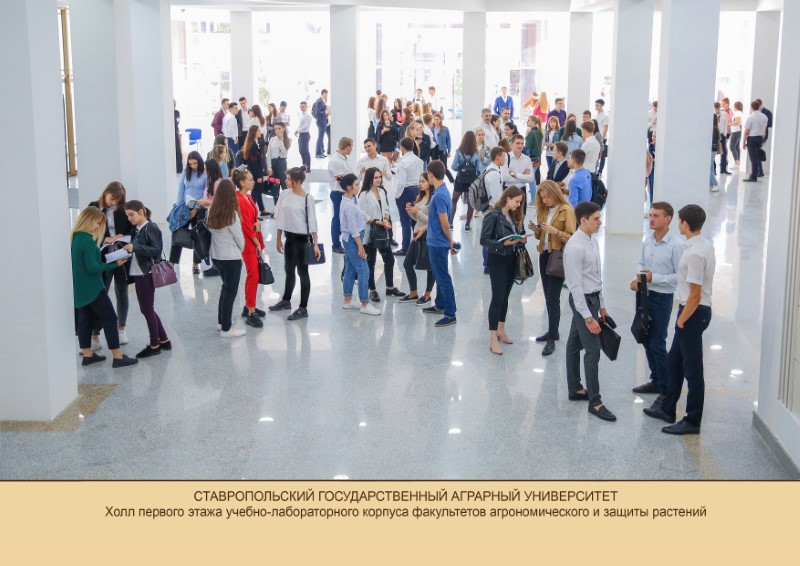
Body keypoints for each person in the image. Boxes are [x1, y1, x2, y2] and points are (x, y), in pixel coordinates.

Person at [644, 205, 715, 435]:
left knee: (692, 370)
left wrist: (682, 321)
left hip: (693, 313)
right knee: (674, 362)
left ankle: (693, 420)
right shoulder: (701, 244)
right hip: (691, 312)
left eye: (679, 221)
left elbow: (695, 294)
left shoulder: (695, 253)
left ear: (685, 223)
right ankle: (667, 408)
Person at [564, 200, 616, 422]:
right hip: (582, 302)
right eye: (596, 219)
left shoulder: (592, 242)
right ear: (583, 220)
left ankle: (575, 388)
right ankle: (595, 402)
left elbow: (596, 277)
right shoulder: (574, 247)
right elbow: (575, 286)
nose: (600, 222)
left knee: (573, 344)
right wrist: (587, 317)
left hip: (593, 300)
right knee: (593, 351)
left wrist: (602, 305)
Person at [630, 202, 683, 409]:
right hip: (645, 294)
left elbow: (679, 277)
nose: (651, 219)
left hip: (662, 298)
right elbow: (641, 263)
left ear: (668, 219)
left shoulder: (676, 245)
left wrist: (654, 278)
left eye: (656, 216)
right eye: (650, 215)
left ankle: (667, 385)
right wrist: (639, 277)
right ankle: (656, 380)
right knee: (645, 338)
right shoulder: (649, 240)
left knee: (657, 342)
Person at [71, 207, 138, 368]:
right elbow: (93, 267)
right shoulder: (87, 241)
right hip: (93, 288)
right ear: (88, 220)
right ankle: (118, 357)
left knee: (85, 321)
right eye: (97, 222)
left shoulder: (75, 238)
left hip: (80, 288)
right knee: (110, 318)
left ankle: (87, 355)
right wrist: (115, 263)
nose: (97, 226)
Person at [480, 187, 529, 355]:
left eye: (520, 202)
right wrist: (503, 243)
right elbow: (484, 240)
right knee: (497, 298)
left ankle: (501, 328)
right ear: (508, 198)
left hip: (512, 259)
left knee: (505, 296)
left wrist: (521, 239)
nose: (518, 205)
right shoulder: (493, 216)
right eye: (517, 201)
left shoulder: (514, 216)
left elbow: (518, 234)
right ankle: (492, 337)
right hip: (498, 260)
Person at [530, 181, 576, 356]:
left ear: (554, 193)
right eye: (542, 198)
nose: (544, 200)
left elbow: (572, 237)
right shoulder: (544, 210)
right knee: (548, 296)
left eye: (546, 197)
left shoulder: (567, 210)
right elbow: (541, 236)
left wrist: (555, 232)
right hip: (544, 255)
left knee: (552, 299)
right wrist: (536, 230)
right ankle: (552, 331)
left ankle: (551, 339)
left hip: (558, 257)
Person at [122, 200, 171, 357]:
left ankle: (154, 345)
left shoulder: (150, 228)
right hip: (139, 273)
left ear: (141, 212)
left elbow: (156, 250)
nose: (130, 218)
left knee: (147, 309)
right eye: (128, 216)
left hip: (147, 273)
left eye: (132, 215)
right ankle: (164, 340)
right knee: (147, 309)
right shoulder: (138, 229)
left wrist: (135, 247)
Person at [271, 167, 321, 321]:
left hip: (302, 239)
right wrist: (278, 238)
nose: (285, 181)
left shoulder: (307, 198)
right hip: (289, 238)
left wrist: (316, 244)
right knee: (288, 269)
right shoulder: (285, 194)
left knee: (302, 272)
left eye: (288, 179)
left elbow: (312, 222)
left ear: (297, 181)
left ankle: (303, 308)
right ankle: (286, 300)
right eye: (286, 178)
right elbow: (280, 217)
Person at [89, 182, 133, 347]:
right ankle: (94, 334)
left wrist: (122, 236)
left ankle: (121, 329)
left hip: (121, 256)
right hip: (102, 258)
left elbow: (132, 229)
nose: (114, 203)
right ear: (106, 192)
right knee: (100, 294)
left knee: (122, 291)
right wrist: (104, 239)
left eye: (117, 201)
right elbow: (87, 230)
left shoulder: (123, 209)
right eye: (112, 199)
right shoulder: (94, 207)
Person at [206, 179, 247, 337]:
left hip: (217, 256)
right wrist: (241, 250)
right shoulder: (232, 214)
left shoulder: (211, 210)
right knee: (230, 292)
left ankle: (221, 322)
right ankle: (226, 329)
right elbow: (239, 238)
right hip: (231, 258)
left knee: (225, 289)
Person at [358, 168, 404, 302]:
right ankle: (372, 290)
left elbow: (386, 208)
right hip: (370, 231)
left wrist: (386, 218)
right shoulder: (364, 195)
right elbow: (362, 213)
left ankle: (390, 287)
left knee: (389, 259)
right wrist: (376, 221)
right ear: (369, 179)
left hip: (382, 230)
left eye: (379, 177)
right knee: (371, 262)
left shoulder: (382, 191)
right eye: (375, 177)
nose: (378, 179)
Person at [338, 174, 381, 316]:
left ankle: (348, 300)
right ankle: (365, 304)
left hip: (352, 239)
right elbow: (352, 228)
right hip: (353, 240)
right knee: (364, 270)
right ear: (349, 187)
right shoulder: (349, 206)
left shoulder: (350, 199)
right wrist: (360, 246)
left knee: (350, 269)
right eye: (356, 185)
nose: (358, 187)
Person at [422, 161, 457, 327]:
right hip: (436, 240)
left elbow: (444, 223)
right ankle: (440, 304)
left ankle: (450, 313)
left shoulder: (440, 195)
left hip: (438, 243)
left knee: (443, 277)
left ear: (431, 175)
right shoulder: (441, 191)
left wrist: (451, 241)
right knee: (439, 275)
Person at [232, 167, 265, 329]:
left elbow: (253, 218)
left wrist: (257, 222)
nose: (253, 182)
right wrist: (256, 242)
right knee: (254, 275)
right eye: (250, 180)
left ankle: (249, 305)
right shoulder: (239, 200)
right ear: (242, 182)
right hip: (248, 241)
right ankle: (251, 312)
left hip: (254, 238)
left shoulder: (249, 197)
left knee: (254, 274)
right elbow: (245, 224)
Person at [400, 173, 435, 307]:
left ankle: (427, 294)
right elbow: (418, 219)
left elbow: (433, 221)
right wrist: (411, 212)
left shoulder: (433, 199)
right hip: (417, 233)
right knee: (407, 263)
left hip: (427, 235)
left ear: (430, 182)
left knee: (430, 266)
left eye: (423, 181)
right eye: (419, 181)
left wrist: (418, 212)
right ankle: (413, 292)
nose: (420, 184)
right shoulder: (419, 197)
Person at [170, 151, 209, 273]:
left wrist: (196, 208)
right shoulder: (185, 172)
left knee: (197, 236)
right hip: (184, 208)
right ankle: (171, 264)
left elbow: (205, 193)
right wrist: (180, 207)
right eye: (190, 164)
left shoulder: (205, 174)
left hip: (199, 208)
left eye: (195, 163)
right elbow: (181, 190)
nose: (193, 166)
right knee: (177, 235)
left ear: (200, 162)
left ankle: (195, 264)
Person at [390, 136, 424, 255]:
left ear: (402, 147)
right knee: (416, 220)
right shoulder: (419, 160)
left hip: (406, 192)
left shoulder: (403, 162)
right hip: (417, 191)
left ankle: (405, 248)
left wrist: (397, 196)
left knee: (405, 221)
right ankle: (417, 246)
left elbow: (401, 182)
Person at [449, 130, 482, 231]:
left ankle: (450, 223)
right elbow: (478, 169)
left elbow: (453, 167)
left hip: (460, 180)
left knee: (454, 201)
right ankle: (467, 225)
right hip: (472, 181)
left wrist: (461, 169)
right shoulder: (476, 152)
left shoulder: (459, 152)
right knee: (470, 204)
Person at [328, 137, 354, 254]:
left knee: (346, 219)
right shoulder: (335, 161)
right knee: (338, 220)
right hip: (338, 194)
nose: (352, 149)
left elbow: (350, 175)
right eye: (351, 147)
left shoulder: (345, 159)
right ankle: (336, 245)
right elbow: (342, 179)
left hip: (346, 194)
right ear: (347, 147)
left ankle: (346, 242)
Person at [241, 125, 268, 219]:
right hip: (256, 173)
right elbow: (254, 162)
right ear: (254, 132)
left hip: (254, 172)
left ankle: (262, 210)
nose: (260, 132)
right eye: (258, 131)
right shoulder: (253, 145)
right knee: (255, 193)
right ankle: (253, 214)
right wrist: (258, 176)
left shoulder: (253, 143)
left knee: (258, 191)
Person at [501, 134, 534, 209]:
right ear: (511, 144)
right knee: (508, 215)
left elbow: (531, 178)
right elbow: (504, 177)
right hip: (508, 191)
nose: (520, 145)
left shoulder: (527, 159)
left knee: (522, 214)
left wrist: (515, 174)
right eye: (518, 143)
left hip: (522, 191)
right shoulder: (505, 157)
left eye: (522, 143)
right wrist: (523, 176)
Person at [743, 100, 768, 183]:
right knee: (756, 158)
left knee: (753, 158)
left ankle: (753, 176)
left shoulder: (751, 117)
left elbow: (747, 131)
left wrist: (743, 142)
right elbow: (765, 129)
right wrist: (762, 138)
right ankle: (754, 173)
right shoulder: (764, 116)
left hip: (752, 139)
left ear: (751, 107)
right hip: (760, 138)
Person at [267, 122, 291, 192]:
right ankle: (276, 199)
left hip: (282, 162)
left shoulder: (288, 140)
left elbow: (284, 152)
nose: (277, 130)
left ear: (283, 129)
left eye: (279, 128)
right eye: (275, 129)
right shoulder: (272, 139)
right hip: (273, 162)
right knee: (274, 185)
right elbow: (269, 154)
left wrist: (280, 139)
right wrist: (269, 167)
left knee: (284, 184)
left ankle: (285, 199)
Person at [525, 115, 544, 194]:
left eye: (529, 120)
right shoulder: (539, 132)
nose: (527, 122)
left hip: (532, 159)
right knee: (532, 179)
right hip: (538, 158)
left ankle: (534, 198)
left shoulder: (531, 133)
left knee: (531, 180)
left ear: (533, 122)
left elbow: (527, 148)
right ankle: (534, 198)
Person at [295, 101, 312, 172]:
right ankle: (304, 165)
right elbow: (300, 124)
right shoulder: (301, 114)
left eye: (303, 106)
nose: (301, 108)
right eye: (300, 106)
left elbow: (306, 126)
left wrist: (298, 130)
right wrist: (297, 130)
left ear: (306, 106)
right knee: (301, 151)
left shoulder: (308, 115)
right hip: (301, 135)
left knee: (306, 151)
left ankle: (308, 167)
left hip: (305, 135)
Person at [312, 89, 329, 158]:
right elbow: (317, 113)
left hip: (322, 121)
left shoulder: (321, 101)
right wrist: (325, 112)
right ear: (324, 94)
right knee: (320, 138)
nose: (327, 95)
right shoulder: (319, 101)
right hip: (321, 122)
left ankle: (321, 152)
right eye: (327, 94)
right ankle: (318, 153)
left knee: (321, 138)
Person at [594, 99, 609, 175]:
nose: (596, 106)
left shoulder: (605, 116)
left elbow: (605, 128)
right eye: (595, 105)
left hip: (602, 138)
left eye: (597, 105)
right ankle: (595, 170)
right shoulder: (596, 115)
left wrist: (601, 139)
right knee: (596, 154)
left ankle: (600, 171)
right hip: (596, 137)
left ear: (602, 106)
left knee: (602, 155)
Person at [716, 100, 731, 175]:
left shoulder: (724, 114)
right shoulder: (712, 114)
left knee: (724, 152)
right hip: (714, 135)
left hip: (722, 135)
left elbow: (725, 124)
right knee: (713, 152)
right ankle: (713, 170)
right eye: (715, 109)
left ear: (720, 107)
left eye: (718, 108)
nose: (717, 110)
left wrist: (725, 134)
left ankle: (723, 169)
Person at [729, 101, 743, 167]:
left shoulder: (738, 113)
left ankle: (737, 163)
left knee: (732, 147)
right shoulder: (738, 113)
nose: (733, 107)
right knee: (736, 147)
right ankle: (737, 163)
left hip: (736, 131)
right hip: (737, 131)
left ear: (736, 106)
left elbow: (737, 122)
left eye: (734, 106)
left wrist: (728, 124)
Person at [710, 113, 720, 192]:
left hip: (712, 149)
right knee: (711, 167)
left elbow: (713, 141)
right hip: (714, 149)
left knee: (709, 168)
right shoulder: (715, 127)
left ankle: (715, 184)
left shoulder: (713, 128)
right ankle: (712, 184)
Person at [174, 99, 182, 174]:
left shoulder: (177, 112)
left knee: (178, 151)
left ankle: (179, 168)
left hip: (175, 133)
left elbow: (177, 121)